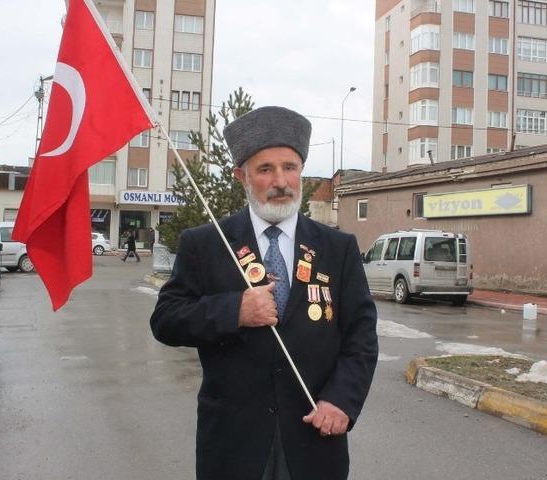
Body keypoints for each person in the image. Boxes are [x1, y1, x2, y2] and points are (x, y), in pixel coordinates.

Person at [150, 106, 378, 480]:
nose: (281, 181)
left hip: (314, 438)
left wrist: (341, 400)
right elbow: (166, 321)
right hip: (232, 444)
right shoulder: (206, 243)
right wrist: (234, 311)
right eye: (265, 169)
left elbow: (361, 336)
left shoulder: (338, 249)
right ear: (242, 176)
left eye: (290, 167)